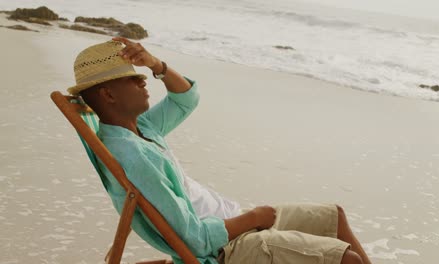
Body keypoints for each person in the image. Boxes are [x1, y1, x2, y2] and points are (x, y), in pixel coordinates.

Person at [67, 38, 371, 264]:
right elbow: (193, 240)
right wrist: (252, 218)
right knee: (347, 261)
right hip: (225, 248)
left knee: (334, 216)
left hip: (233, 221)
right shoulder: (134, 157)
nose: (143, 81)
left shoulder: (142, 129)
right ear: (108, 94)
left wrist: (157, 65)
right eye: (133, 78)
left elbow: (186, 99)